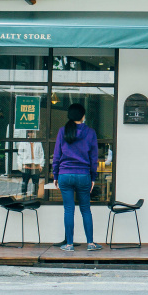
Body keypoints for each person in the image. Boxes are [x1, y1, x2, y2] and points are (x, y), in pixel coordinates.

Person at [52, 103, 101, 252]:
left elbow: (57, 155)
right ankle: (91, 243)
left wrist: (55, 174)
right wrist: (93, 176)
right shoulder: (90, 132)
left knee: (69, 210)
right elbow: (94, 158)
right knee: (86, 209)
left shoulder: (63, 131)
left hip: (65, 174)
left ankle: (69, 245)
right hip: (83, 175)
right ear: (83, 116)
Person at [16, 130, 44, 197]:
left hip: (36, 165)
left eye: (33, 132)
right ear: (28, 134)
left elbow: (41, 154)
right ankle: (23, 194)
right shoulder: (23, 143)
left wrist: (41, 165)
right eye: (30, 132)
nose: (32, 134)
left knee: (35, 182)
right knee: (25, 181)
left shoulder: (38, 142)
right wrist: (20, 165)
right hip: (26, 165)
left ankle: (35, 195)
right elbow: (20, 154)